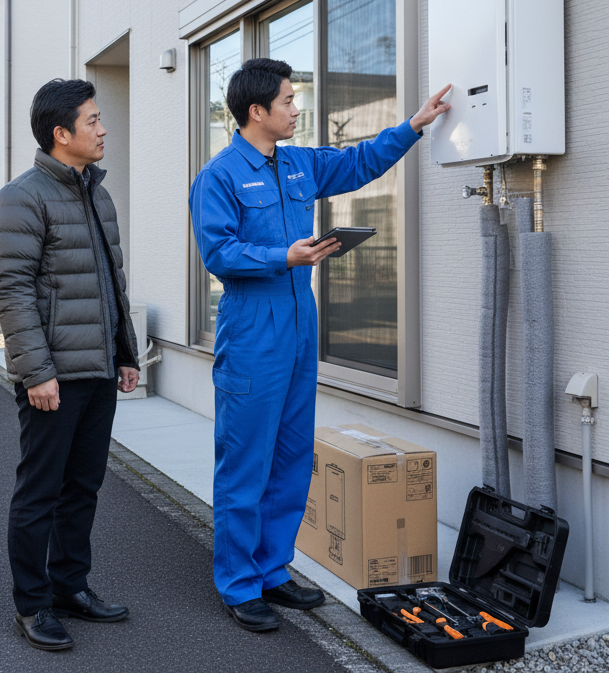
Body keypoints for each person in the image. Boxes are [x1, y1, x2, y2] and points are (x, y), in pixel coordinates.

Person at [189, 58, 450, 633]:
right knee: (246, 460)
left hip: (300, 324)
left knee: (290, 455)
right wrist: (285, 256)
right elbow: (218, 252)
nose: (295, 109)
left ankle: (273, 569)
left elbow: (357, 162)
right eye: (287, 101)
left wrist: (413, 125)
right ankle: (237, 583)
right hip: (253, 328)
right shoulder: (220, 176)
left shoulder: (300, 162)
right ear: (257, 111)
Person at [0, 78, 141, 652]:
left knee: (84, 486)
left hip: (97, 370)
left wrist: (124, 354)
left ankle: (69, 587)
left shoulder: (96, 193)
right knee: (40, 492)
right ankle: (31, 605)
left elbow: (109, 284)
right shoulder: (21, 197)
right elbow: (11, 290)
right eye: (94, 120)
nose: (104, 129)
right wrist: (37, 372)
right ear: (62, 133)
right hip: (53, 375)